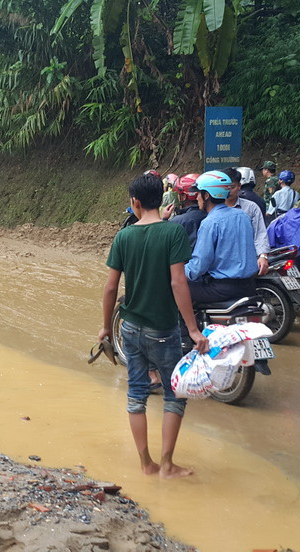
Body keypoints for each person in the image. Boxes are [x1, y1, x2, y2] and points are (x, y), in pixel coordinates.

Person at [99, 173, 208, 479]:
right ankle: (168, 464)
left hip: (130, 328)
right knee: (175, 396)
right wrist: (194, 329)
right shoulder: (172, 233)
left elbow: (110, 289)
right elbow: (178, 282)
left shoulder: (124, 236)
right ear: (161, 200)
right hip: (163, 329)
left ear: (134, 203)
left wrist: (106, 327)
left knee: (136, 395)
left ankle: (146, 464)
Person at [184, 171, 258, 303]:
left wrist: (181, 272)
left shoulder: (210, 223)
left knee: (178, 288)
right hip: (249, 286)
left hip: (221, 289)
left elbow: (200, 265)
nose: (196, 198)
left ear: (206, 195)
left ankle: (187, 324)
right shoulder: (243, 216)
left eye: (198, 194)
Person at [222, 167, 269, 275]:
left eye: (232, 187)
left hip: (247, 263)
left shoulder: (251, 208)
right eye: (225, 187)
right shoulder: (214, 208)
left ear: (239, 186)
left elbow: (260, 233)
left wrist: (263, 256)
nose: (228, 191)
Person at [164, 173, 205, 248]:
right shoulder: (210, 214)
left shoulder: (178, 221)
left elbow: (163, 240)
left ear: (183, 196)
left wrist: (164, 219)